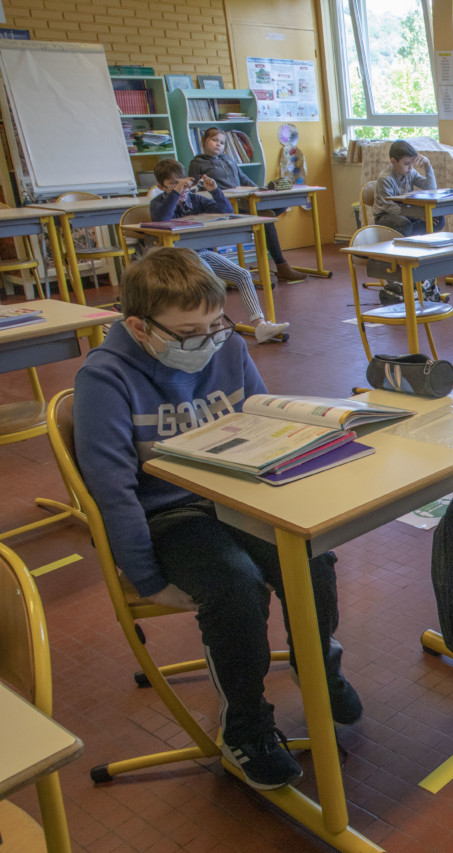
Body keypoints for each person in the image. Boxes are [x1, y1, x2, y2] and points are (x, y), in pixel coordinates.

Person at [74, 248, 362, 790]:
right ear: (139, 327)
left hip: (235, 497)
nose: (207, 342)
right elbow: (113, 493)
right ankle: (246, 727)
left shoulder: (226, 345)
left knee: (312, 557)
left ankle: (318, 667)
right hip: (168, 515)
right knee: (236, 586)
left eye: (214, 325)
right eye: (188, 333)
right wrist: (148, 579)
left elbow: (265, 427)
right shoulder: (105, 379)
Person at [150, 159, 290, 344]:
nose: (181, 188)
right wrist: (175, 194)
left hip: (201, 253)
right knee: (208, 279)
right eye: (173, 185)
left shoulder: (195, 199)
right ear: (161, 187)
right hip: (179, 259)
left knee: (242, 275)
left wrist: (215, 191)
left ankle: (260, 325)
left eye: (182, 183)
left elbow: (226, 211)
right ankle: (211, 329)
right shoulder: (157, 203)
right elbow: (161, 219)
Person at [187, 128, 308, 284]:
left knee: (280, 206)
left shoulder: (228, 159)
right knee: (266, 219)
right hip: (225, 206)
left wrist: (260, 190)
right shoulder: (197, 163)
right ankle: (282, 266)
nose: (218, 144)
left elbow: (243, 178)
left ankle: (265, 229)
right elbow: (194, 188)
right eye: (214, 140)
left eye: (222, 142)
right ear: (204, 142)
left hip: (243, 200)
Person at [370, 139, 444, 237]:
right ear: (393, 161)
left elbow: (431, 188)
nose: (410, 167)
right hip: (385, 215)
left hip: (405, 212)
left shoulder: (410, 173)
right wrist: (417, 216)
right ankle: (410, 235)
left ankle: (409, 234)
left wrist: (427, 165)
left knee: (439, 220)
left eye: (412, 163)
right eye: (406, 163)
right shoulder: (385, 179)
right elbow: (390, 207)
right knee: (404, 224)